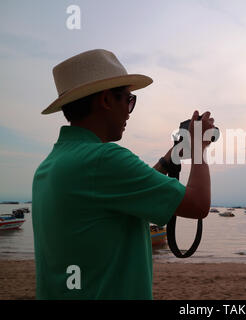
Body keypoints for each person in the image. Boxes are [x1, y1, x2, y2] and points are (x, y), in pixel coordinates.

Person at [32, 49, 214, 299]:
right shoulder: (105, 159)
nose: (130, 111)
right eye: (129, 100)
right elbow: (198, 204)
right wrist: (200, 147)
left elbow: (122, 192)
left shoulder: (49, 166)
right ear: (106, 101)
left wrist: (168, 159)